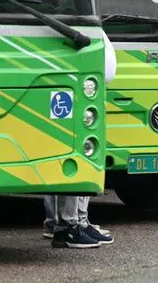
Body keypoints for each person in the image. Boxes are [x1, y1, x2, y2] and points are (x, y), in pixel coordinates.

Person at [46, 39, 118, 249]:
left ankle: (79, 221)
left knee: (86, 156)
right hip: (73, 87)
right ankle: (65, 226)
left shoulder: (87, 20)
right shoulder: (69, 21)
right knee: (72, 157)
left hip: (88, 89)